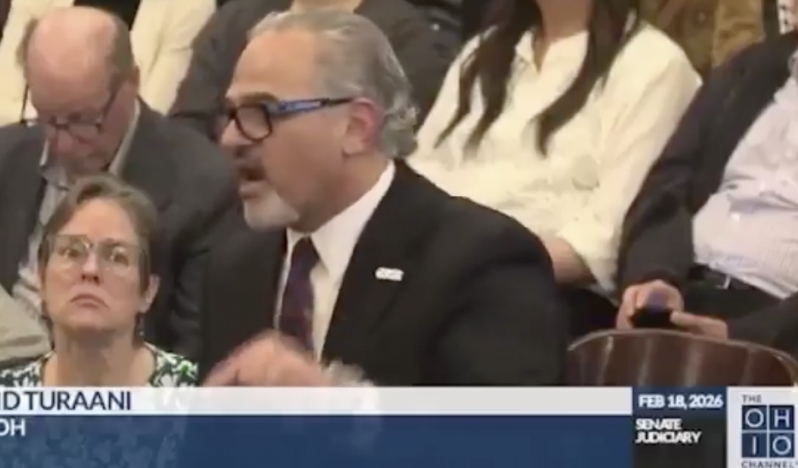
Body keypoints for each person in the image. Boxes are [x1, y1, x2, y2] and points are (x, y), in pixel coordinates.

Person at [200, 10, 566, 386]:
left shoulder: (479, 259)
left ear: (357, 127)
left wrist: (334, 403)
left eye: (261, 112)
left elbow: (500, 422)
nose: (231, 138)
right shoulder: (235, 264)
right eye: (231, 114)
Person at [407, 0, 700, 338]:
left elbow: (603, 239)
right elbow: (418, 175)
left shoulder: (654, 65)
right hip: (436, 270)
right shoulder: (483, 50)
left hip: (547, 295)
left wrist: (475, 264)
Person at [0, 7, 240, 360]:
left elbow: (190, 358)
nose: (62, 143)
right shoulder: (8, 155)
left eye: (83, 120)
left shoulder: (203, 188)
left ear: (132, 82)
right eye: (48, 118)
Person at [615, 24, 798, 358]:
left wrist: (742, 335)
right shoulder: (750, 69)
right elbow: (666, 186)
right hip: (682, 290)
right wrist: (654, 277)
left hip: (774, 327)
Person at [0, 175, 196, 386]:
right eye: (72, 252)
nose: (90, 269)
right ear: (41, 276)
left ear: (148, 290)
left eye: (117, 257)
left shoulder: (197, 393)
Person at [169, 0, 449, 141]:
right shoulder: (237, 17)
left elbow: (386, 147)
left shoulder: (406, 39)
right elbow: (188, 127)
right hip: (217, 200)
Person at [0, 0, 215, 124]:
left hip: (120, 171)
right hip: (22, 154)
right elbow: (4, 99)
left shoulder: (188, 6)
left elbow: (147, 118)